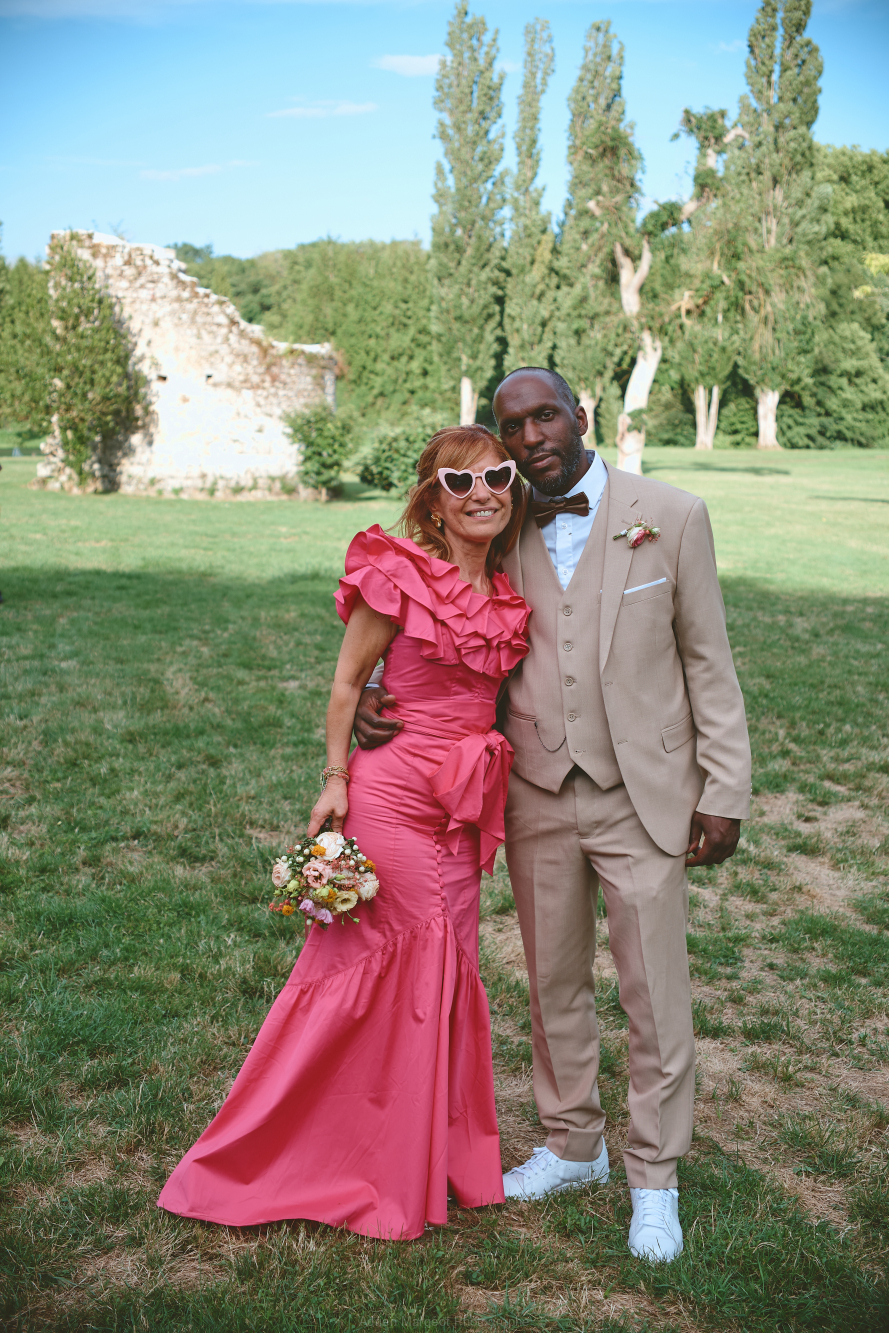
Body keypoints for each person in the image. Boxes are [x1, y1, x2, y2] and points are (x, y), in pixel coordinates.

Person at [354, 368, 751, 1262]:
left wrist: (724, 789)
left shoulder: (672, 514)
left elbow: (709, 662)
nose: (530, 437)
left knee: (653, 991)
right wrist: (379, 686)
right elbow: (429, 611)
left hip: (643, 793)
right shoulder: (498, 519)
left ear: (579, 415)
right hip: (532, 787)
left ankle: (654, 1175)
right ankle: (573, 1143)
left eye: (544, 417)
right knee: (552, 982)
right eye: (511, 426)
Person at [157, 425, 530, 1240]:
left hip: (463, 807)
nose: (481, 494)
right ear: (432, 501)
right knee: (379, 962)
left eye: (496, 476)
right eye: (459, 482)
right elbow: (345, 682)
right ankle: (299, 1152)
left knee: (449, 967)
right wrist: (335, 779)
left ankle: (422, 1151)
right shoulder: (396, 572)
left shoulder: (508, 591)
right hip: (391, 797)